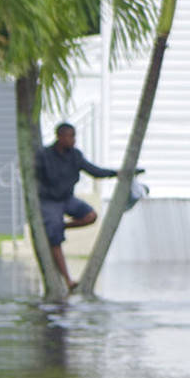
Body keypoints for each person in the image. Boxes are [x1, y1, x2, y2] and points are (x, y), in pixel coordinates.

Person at [35, 122, 137, 291]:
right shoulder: (45, 155)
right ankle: (67, 279)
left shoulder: (75, 156)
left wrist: (115, 173)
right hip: (50, 200)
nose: (73, 140)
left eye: (74, 136)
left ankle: (60, 226)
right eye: (70, 136)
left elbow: (94, 171)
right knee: (55, 238)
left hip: (67, 198)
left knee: (91, 216)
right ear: (60, 137)